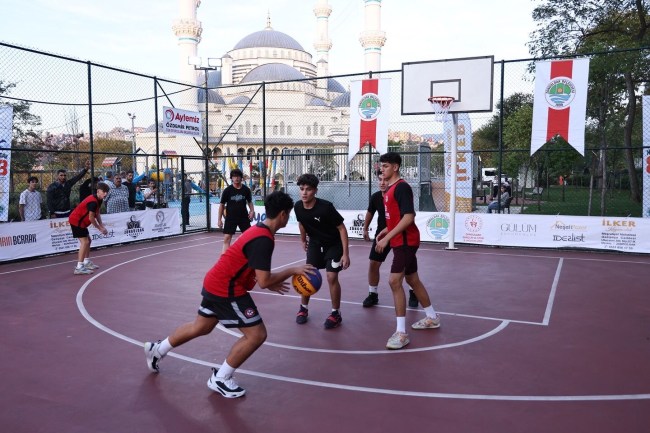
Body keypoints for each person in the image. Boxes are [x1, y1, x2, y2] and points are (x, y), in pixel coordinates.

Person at [144, 191, 314, 398]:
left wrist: (269, 283)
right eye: (288, 214)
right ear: (283, 215)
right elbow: (264, 280)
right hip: (226, 288)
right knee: (257, 334)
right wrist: (292, 271)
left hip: (216, 281)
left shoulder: (259, 231)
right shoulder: (264, 239)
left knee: (201, 326)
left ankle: (157, 349)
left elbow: (251, 267)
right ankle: (221, 378)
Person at [375, 152, 441, 350]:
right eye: (381, 166)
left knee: (394, 281)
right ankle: (432, 317)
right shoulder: (389, 189)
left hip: (405, 242)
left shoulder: (401, 187)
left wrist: (387, 237)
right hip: (400, 241)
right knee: (412, 279)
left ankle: (401, 333)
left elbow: (409, 217)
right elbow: (397, 217)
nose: (382, 169)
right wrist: (386, 230)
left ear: (395, 167)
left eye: (385, 166)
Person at [293, 173, 350, 329]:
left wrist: (346, 254)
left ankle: (335, 313)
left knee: (331, 277)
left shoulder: (326, 207)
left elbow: (342, 228)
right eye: (302, 189)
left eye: (308, 189)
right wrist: (303, 239)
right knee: (307, 274)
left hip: (334, 244)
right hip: (315, 243)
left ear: (315, 191)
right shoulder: (298, 206)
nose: (304, 192)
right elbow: (302, 223)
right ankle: (303, 309)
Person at [361, 171, 418, 308]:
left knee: (409, 268)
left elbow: (409, 215)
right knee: (373, 263)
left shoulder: (399, 194)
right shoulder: (375, 197)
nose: (382, 182)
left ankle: (413, 292)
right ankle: (372, 294)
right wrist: (365, 228)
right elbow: (370, 212)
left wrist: (390, 233)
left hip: (400, 235)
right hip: (382, 235)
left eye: (385, 180)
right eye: (379, 180)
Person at [68, 182, 109, 275]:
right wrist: (100, 229)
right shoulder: (93, 202)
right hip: (76, 221)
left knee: (88, 241)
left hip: (81, 223)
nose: (105, 194)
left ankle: (86, 262)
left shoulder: (99, 199)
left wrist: (102, 226)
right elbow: (91, 218)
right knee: (85, 242)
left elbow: (97, 214)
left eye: (107, 192)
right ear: (98, 191)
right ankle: (79, 267)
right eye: (104, 192)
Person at [217, 169, 255, 252]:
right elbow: (222, 205)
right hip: (230, 218)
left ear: (241, 178)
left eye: (238, 176)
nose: (236, 178)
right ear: (231, 178)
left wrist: (252, 211)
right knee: (227, 238)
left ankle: (249, 257)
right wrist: (219, 219)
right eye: (234, 176)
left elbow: (250, 202)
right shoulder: (227, 191)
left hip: (243, 217)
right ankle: (225, 259)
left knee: (249, 237)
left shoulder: (246, 190)